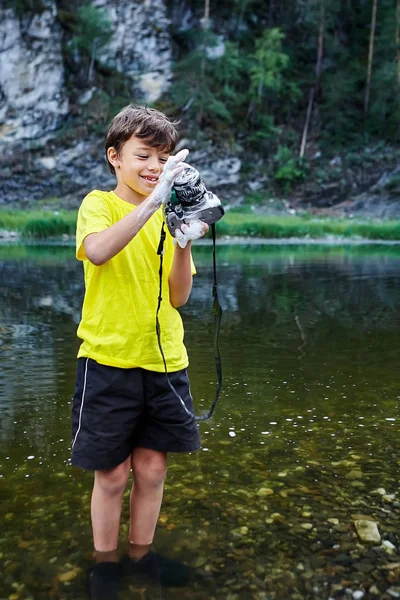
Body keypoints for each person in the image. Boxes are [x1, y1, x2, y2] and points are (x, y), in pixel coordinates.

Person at [71, 104, 208, 599]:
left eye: (163, 157)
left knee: (152, 468)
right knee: (111, 474)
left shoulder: (169, 215)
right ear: (115, 157)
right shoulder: (99, 205)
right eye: (143, 155)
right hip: (107, 361)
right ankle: (104, 562)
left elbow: (178, 296)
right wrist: (155, 204)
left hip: (166, 363)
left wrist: (185, 239)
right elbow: (101, 249)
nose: (154, 167)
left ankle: (141, 555)